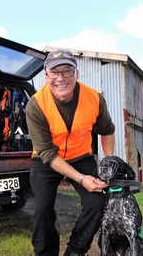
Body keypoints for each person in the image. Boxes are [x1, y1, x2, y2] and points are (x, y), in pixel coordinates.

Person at [25, 49, 116, 256]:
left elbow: (107, 130)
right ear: (46, 75)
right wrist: (82, 179)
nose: (61, 78)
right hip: (46, 160)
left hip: (81, 156)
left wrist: (108, 161)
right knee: (42, 209)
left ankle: (75, 250)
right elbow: (47, 152)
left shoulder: (94, 98)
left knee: (97, 202)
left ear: (77, 73)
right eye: (54, 72)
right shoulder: (36, 105)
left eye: (67, 71)